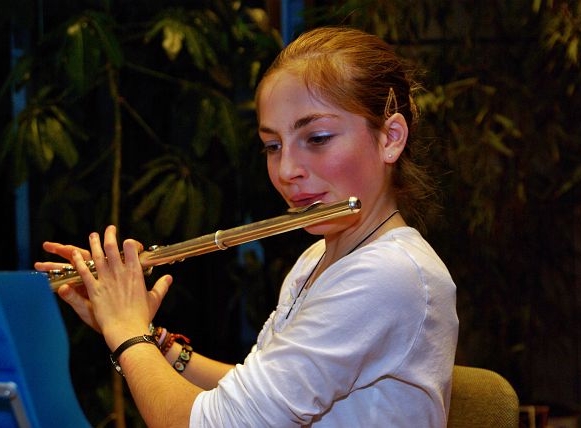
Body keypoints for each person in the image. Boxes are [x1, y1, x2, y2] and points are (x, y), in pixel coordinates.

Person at [36, 26, 458, 427]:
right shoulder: (318, 258)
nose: (287, 170)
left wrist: (126, 334)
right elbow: (256, 399)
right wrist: (153, 338)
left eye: (317, 138)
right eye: (273, 145)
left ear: (390, 137)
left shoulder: (388, 274)